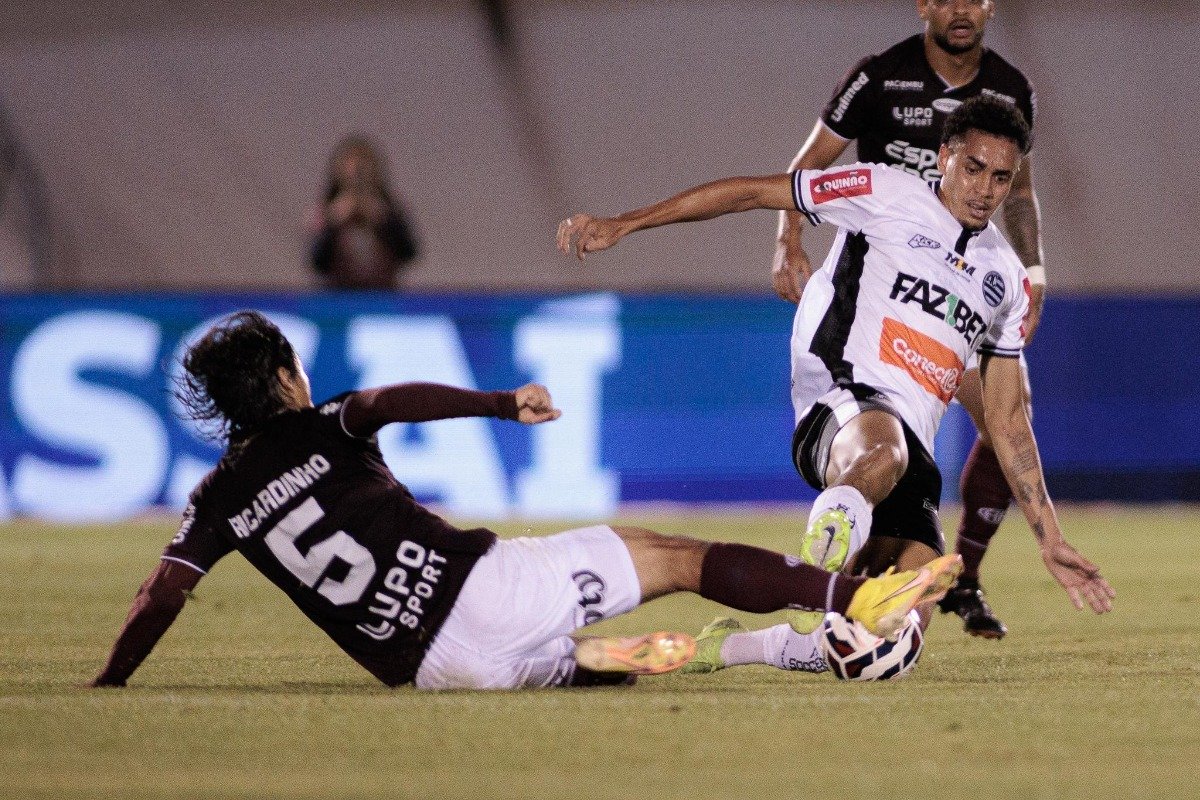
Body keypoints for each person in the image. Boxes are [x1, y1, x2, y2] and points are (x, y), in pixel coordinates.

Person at [91, 311, 960, 691]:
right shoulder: (326, 422)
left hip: (433, 673)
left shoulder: (216, 497)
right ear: (285, 376)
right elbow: (391, 403)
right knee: (673, 557)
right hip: (481, 591)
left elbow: (159, 597)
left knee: (608, 660)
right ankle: (851, 603)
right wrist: (502, 404)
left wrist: (108, 682)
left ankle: (759, 651)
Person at [557, 95, 1113, 677]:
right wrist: (626, 223)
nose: (985, 189)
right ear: (945, 156)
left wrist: (1049, 537)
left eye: (1001, 177)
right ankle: (824, 549)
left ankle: (737, 646)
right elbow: (753, 191)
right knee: (883, 448)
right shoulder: (884, 191)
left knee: (882, 650)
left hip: (911, 455)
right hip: (841, 399)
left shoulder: (1004, 280)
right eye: (973, 168)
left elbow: (1006, 421)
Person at [773, 0, 1042, 639]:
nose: (959, 10)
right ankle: (842, 582)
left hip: (962, 284)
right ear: (921, 5)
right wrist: (788, 240)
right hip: (889, 289)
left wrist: (1033, 277)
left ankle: (964, 576)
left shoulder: (1011, 89)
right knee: (887, 441)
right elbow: (810, 163)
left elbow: (1022, 192)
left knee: (1013, 416)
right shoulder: (879, 76)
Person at [309, 135, 419, 290]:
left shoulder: (389, 207)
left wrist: (385, 220)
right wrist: (332, 223)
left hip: (383, 296)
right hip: (338, 298)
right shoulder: (329, 209)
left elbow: (409, 252)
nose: (357, 171)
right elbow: (316, 261)